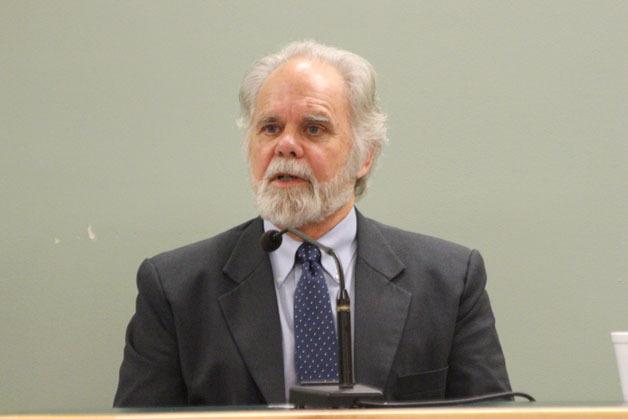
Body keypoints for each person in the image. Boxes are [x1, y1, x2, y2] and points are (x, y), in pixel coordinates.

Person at [114, 40, 511, 407]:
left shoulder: (448, 281)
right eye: (270, 127)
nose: (285, 145)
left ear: (365, 156)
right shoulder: (175, 289)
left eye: (313, 128)